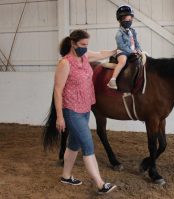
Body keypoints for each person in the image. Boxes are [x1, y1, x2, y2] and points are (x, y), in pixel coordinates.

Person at [54, 29, 117, 194]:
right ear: (73, 43)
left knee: (74, 144)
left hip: (85, 107)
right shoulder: (65, 63)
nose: (85, 47)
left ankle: (66, 176)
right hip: (71, 110)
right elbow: (58, 90)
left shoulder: (85, 56)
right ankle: (100, 184)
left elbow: (101, 53)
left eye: (87, 45)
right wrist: (60, 117)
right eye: (82, 45)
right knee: (88, 145)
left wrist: (117, 50)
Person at [107, 5, 142, 90]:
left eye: (130, 20)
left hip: (133, 50)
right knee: (122, 61)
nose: (128, 22)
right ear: (120, 20)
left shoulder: (133, 31)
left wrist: (139, 49)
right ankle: (113, 80)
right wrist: (131, 51)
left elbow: (136, 42)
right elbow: (121, 46)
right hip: (123, 51)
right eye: (126, 20)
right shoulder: (119, 33)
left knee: (144, 58)